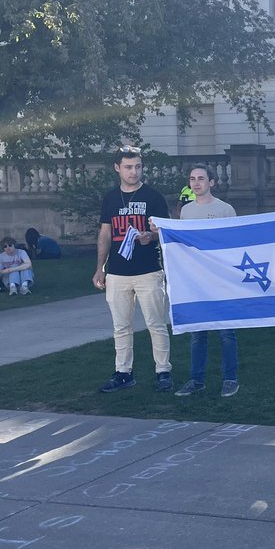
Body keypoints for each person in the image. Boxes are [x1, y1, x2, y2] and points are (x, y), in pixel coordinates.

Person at [93, 147, 173, 393]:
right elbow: (105, 233)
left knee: (156, 323)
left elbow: (165, 231)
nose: (133, 171)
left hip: (148, 270)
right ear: (117, 168)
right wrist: (100, 268)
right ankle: (123, 373)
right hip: (117, 272)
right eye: (128, 167)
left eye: (137, 166)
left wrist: (151, 235)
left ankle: (163, 371)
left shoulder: (153, 197)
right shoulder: (110, 199)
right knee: (121, 326)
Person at [173, 165, 240, 399]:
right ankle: (196, 379)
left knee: (226, 333)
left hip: (220, 281)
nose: (196, 183)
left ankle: (230, 379)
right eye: (192, 179)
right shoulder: (186, 211)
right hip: (194, 282)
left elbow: (233, 244)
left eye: (201, 178)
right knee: (197, 333)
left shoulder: (225, 209)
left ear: (211, 182)